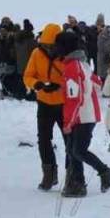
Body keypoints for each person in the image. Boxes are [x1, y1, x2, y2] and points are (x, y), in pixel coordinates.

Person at [56, 31, 110, 197]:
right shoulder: (83, 64)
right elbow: (96, 84)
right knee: (72, 150)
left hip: (82, 116)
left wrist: (68, 122)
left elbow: (75, 98)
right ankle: (77, 185)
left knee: (78, 151)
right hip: (87, 114)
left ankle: (104, 171)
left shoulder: (72, 67)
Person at [23, 23, 66, 191]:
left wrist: (59, 86)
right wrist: (37, 84)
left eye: (51, 45)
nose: (48, 49)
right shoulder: (36, 53)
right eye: (45, 45)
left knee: (69, 141)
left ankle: (72, 175)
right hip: (44, 103)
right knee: (43, 140)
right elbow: (27, 76)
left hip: (63, 104)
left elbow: (73, 80)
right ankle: (49, 174)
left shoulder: (65, 56)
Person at [13, 20, 37, 99]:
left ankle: (19, 94)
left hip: (20, 64)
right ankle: (31, 95)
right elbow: (35, 52)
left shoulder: (18, 40)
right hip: (29, 63)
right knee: (31, 79)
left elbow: (13, 53)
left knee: (20, 79)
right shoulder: (31, 41)